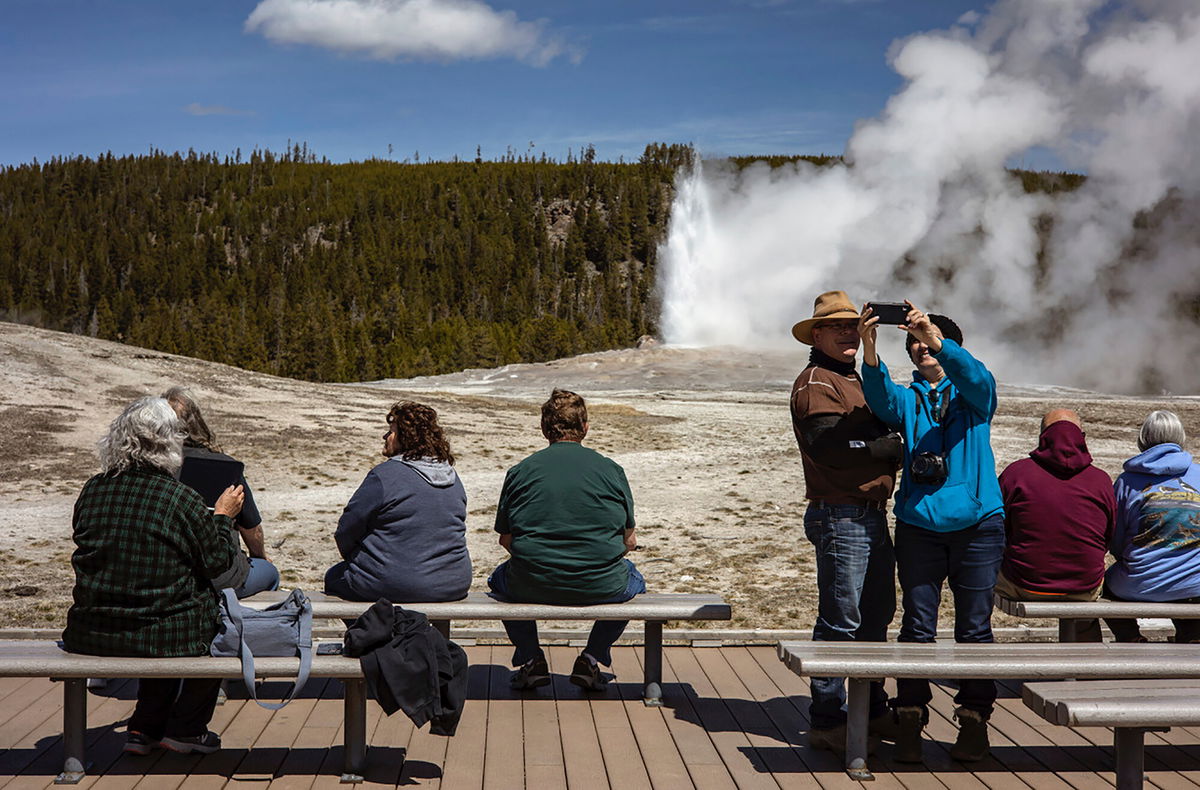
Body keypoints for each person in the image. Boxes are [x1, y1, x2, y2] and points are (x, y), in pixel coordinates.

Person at [858, 301, 1004, 764]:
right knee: (917, 628)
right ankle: (910, 717)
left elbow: (978, 380)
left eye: (928, 339)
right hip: (920, 525)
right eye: (915, 341)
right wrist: (869, 347)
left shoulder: (973, 395)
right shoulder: (909, 399)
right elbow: (880, 399)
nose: (921, 346)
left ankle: (974, 722)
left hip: (979, 525)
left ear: (951, 345)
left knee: (975, 630)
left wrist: (936, 334)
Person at [63, 396, 247, 756]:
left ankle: (143, 729)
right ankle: (187, 729)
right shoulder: (181, 499)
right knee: (209, 622)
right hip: (166, 633)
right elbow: (220, 563)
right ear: (170, 442)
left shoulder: (93, 490)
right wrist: (223, 517)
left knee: (164, 610)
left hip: (92, 630)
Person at [788, 290, 902, 751]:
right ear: (817, 334)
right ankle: (827, 718)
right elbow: (828, 448)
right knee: (841, 619)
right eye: (837, 327)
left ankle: (869, 709)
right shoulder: (816, 381)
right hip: (842, 514)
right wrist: (887, 448)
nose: (848, 333)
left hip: (868, 514)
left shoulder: (849, 377)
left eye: (852, 326)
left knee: (875, 616)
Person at [488, 388, 644, 691]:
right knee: (637, 582)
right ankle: (592, 657)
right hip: (601, 583)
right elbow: (629, 540)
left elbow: (506, 540)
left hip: (530, 582)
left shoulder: (520, 471)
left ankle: (532, 659)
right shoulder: (611, 470)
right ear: (584, 428)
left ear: (545, 428)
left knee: (498, 580)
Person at [325, 401, 471, 602]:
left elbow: (347, 529)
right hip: (454, 583)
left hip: (396, 583)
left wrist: (358, 558)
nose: (385, 436)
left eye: (391, 431)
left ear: (407, 438)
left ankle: (375, 634)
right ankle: (432, 634)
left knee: (334, 577)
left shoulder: (385, 475)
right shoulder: (452, 477)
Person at [997, 409, 1116, 642]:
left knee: (980, 575)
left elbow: (999, 528)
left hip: (1024, 583)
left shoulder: (1015, 474)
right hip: (1083, 586)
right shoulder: (1101, 480)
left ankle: (976, 651)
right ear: (1082, 436)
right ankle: (1086, 664)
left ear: (1043, 436)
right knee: (1085, 596)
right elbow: (1108, 535)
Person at [163, 387, 280, 599]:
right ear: (197, 422)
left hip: (167, 572)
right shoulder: (223, 466)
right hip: (219, 576)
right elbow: (251, 529)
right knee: (270, 573)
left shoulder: (154, 466)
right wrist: (259, 556)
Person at [1104, 410, 1200, 643]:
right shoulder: (1197, 475)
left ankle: (1129, 638)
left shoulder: (1127, 481)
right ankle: (1192, 635)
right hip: (1195, 584)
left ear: (1143, 439)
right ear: (1180, 437)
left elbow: (1115, 539)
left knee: (1104, 587)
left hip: (1140, 582)